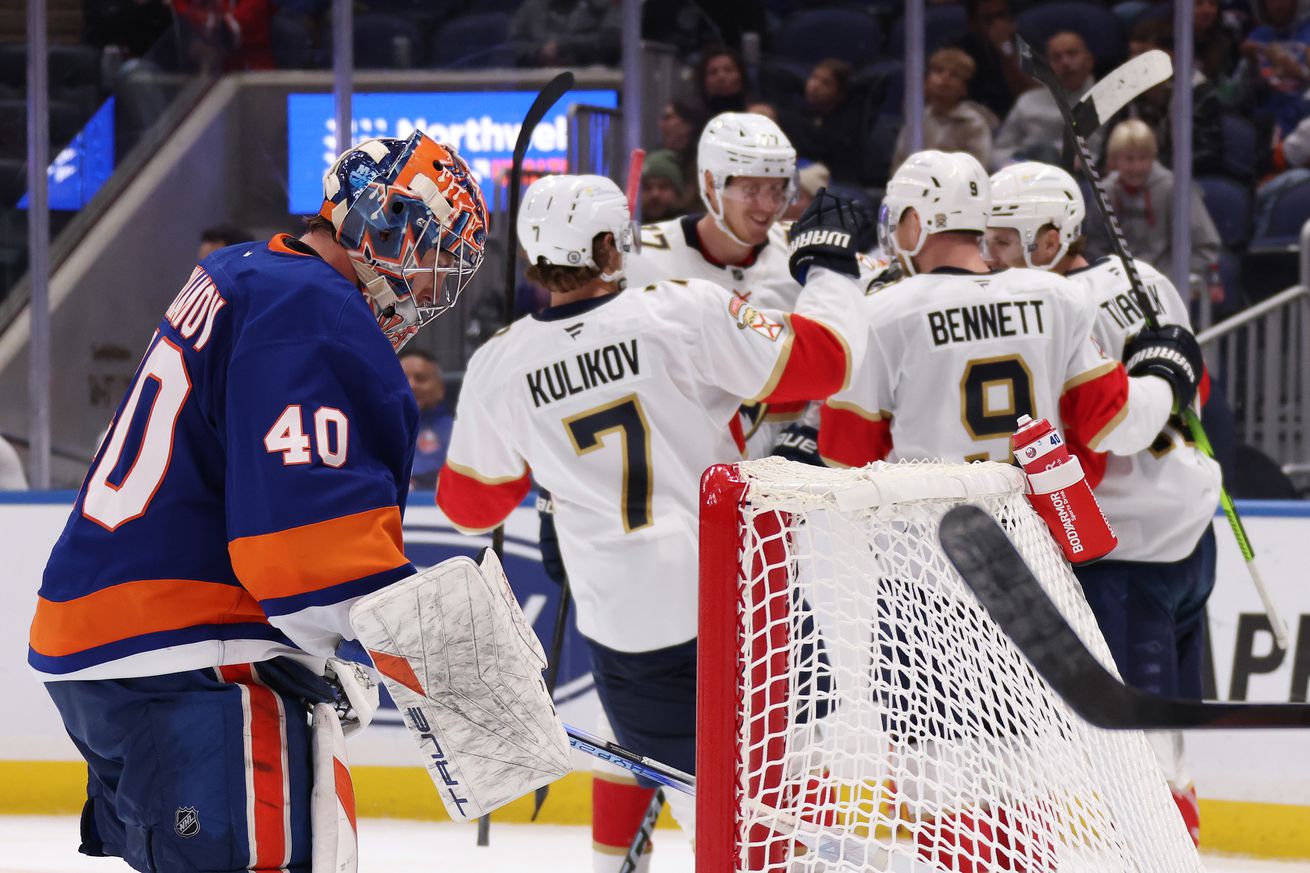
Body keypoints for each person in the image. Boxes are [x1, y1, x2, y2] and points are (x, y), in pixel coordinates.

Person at [29, 131, 488, 873]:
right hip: (192, 658)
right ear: (382, 220)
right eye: (436, 252)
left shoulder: (244, 271)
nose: (436, 289)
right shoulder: (315, 307)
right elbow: (304, 550)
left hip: (110, 648)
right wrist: (452, 668)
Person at [436, 172, 871, 872]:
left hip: (626, 632)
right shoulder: (681, 310)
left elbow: (468, 507)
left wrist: (550, 471)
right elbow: (826, 362)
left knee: (710, 820)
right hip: (736, 601)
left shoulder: (499, 364)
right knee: (782, 805)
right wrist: (830, 268)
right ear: (611, 244)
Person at [985, 161, 1222, 844]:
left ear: (1055, 234)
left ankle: (1158, 853)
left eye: (1006, 238)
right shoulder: (1149, 282)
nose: (992, 254)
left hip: (1124, 549)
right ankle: (1174, 841)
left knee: (1133, 750)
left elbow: (1100, 425)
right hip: (1190, 530)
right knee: (1166, 738)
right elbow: (1191, 389)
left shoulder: (1048, 306)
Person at [817, 150, 1200, 487]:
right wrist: (1165, 380)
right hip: (1031, 539)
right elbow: (1110, 421)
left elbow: (845, 455)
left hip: (923, 546)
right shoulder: (1056, 297)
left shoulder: (883, 311)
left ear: (916, 222)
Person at [625, 112, 809, 453]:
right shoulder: (638, 259)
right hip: (681, 481)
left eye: (777, 189)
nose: (767, 206)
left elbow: (848, 348)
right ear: (711, 184)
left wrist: (810, 433)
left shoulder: (804, 254)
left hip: (789, 485)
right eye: (751, 190)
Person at [1084, 120, 1224, 309]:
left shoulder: (1174, 188)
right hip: (1117, 291)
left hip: (1168, 289)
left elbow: (1205, 245)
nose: (1137, 167)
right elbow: (1095, 245)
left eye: (1144, 158)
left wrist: (1178, 279)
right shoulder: (1106, 191)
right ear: (1115, 159)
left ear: (1153, 157)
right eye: (1129, 159)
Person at [992, 31, 1100, 169]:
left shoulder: (1107, 99)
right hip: (1027, 175)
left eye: (1072, 54)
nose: (1065, 62)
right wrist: (1015, 167)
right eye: (1057, 57)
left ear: (1089, 60)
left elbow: (1108, 154)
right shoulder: (1026, 102)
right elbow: (999, 152)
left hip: (1083, 177)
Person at [891, 47, 997, 172]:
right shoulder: (918, 119)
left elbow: (977, 170)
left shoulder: (974, 124)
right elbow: (899, 164)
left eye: (954, 75)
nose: (945, 78)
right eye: (938, 71)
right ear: (927, 80)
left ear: (964, 88)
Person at [779, 58, 866, 184]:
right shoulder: (799, 112)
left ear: (840, 93)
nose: (814, 86)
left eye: (825, 83)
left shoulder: (847, 125)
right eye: (813, 78)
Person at [951, 0, 1031, 119]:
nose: (997, 25)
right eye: (988, 19)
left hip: (1018, 119)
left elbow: (1031, 95)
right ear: (973, 24)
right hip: (973, 120)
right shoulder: (957, 51)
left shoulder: (1025, 44)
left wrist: (1006, 49)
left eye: (1001, 16)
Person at [400, 347, 455, 491]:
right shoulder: (372, 430)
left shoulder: (459, 432)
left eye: (421, 378)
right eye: (403, 379)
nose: (411, 385)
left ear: (440, 388)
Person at [510, 0, 621, 67]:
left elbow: (611, 42)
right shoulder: (532, 7)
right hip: (537, 84)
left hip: (590, 82)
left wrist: (563, 46)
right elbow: (513, 46)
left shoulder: (602, 6)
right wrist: (539, 53)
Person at [695, 45, 751, 116]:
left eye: (728, 70)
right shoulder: (694, 121)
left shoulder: (757, 115)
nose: (721, 76)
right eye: (713, 72)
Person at [638, 149, 687, 223]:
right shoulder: (628, 231)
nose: (655, 194)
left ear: (677, 193)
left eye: (663, 187)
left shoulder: (692, 231)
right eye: (647, 188)